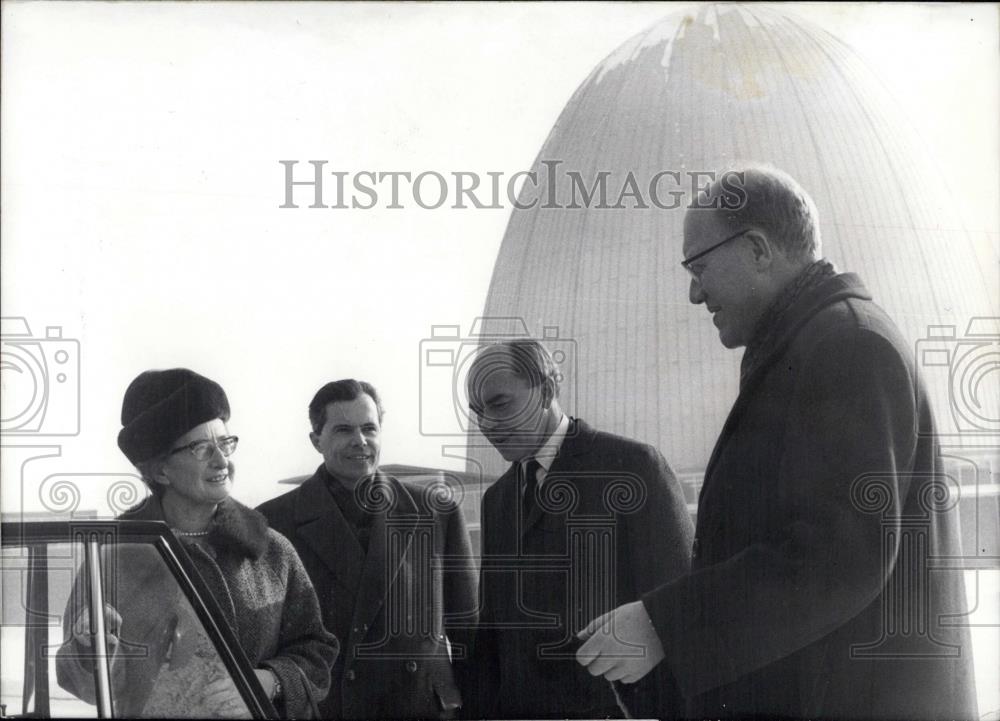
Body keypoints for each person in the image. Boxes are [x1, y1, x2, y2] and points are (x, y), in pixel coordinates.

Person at [576, 165, 979, 719]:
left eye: (699, 266)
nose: (694, 293)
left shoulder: (847, 346)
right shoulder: (816, 341)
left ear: (759, 250)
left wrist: (667, 625)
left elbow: (839, 556)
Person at [56, 368, 339, 718]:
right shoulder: (112, 559)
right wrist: (89, 651)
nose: (222, 461)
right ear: (160, 471)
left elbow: (316, 650)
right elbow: (85, 686)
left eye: (225, 443)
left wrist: (267, 682)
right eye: (201, 448)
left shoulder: (272, 551)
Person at [465, 339, 694, 719]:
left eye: (499, 404)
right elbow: (493, 632)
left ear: (548, 391)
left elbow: (680, 609)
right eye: (477, 411)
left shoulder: (631, 466)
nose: (486, 423)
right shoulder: (497, 500)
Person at [257, 379, 479, 720]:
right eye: (344, 430)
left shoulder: (436, 510)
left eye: (369, 429)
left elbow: (468, 630)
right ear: (317, 440)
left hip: (421, 707)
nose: (359, 441)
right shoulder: (275, 521)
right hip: (330, 707)